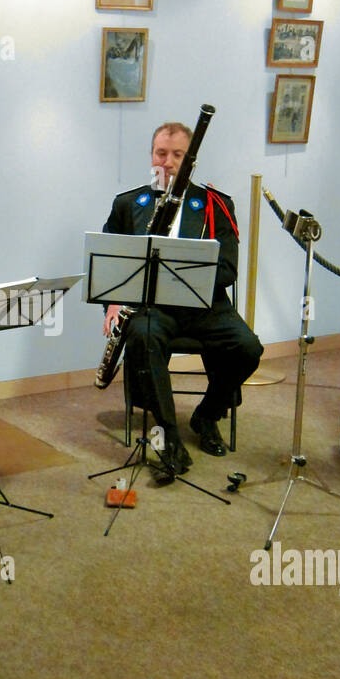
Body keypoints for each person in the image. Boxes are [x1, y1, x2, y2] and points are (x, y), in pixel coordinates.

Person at [102, 122, 263, 476]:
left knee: (248, 347)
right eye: (162, 153)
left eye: (178, 155)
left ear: (191, 160)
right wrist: (113, 302)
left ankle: (207, 415)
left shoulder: (216, 204)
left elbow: (228, 269)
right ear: (151, 156)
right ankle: (168, 436)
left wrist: (186, 275)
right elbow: (109, 261)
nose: (169, 162)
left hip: (204, 306)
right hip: (153, 309)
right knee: (143, 336)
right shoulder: (128, 204)